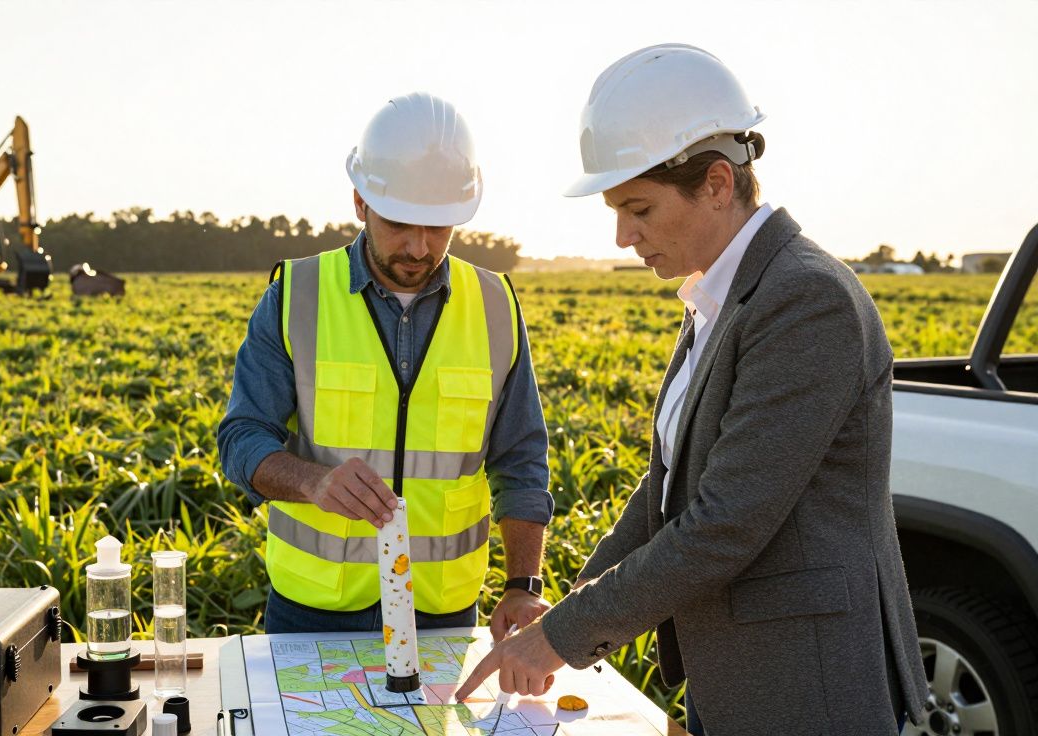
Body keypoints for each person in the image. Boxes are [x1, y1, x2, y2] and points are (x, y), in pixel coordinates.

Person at [455, 45, 929, 735]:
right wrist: (568, 607)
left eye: (639, 209)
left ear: (715, 184)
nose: (623, 236)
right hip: (740, 676)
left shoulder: (805, 299)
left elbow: (724, 522)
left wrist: (560, 637)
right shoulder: (720, 294)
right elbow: (667, 487)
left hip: (805, 686)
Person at [218, 92, 552, 638]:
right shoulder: (295, 295)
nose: (419, 248)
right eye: (400, 222)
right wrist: (313, 482)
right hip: (311, 612)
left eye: (439, 227)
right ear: (360, 202)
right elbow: (241, 438)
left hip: (442, 613)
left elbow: (521, 459)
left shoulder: (495, 305)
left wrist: (522, 586)